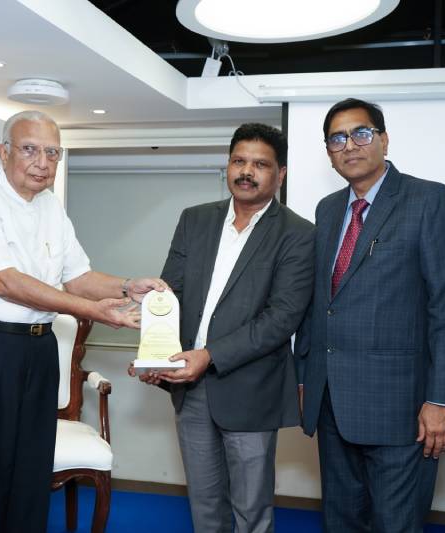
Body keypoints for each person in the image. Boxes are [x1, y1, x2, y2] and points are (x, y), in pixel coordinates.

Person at [0, 110, 165, 533]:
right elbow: (4, 282)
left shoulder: (50, 206)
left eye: (53, 153)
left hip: (39, 350)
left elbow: (78, 277)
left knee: (30, 477)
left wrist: (128, 286)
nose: (43, 162)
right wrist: (91, 311)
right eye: (30, 149)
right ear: (3, 152)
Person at [130, 123, 315, 533]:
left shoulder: (298, 234)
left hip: (251, 391)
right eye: (238, 161)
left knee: (252, 512)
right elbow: (170, 295)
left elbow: (282, 317)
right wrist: (156, 355)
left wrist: (209, 356)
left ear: (281, 174)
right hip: (191, 389)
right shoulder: (195, 220)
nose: (246, 171)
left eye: (260, 164)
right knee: (205, 506)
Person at [295, 98, 445, 533]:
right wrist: (303, 379)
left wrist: (440, 400)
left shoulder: (428, 199)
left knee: (396, 524)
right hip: (331, 404)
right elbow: (320, 304)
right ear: (329, 152)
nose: (350, 145)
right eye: (337, 139)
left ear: (384, 140)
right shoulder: (327, 209)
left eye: (361, 133)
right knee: (341, 522)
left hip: (400, 410)